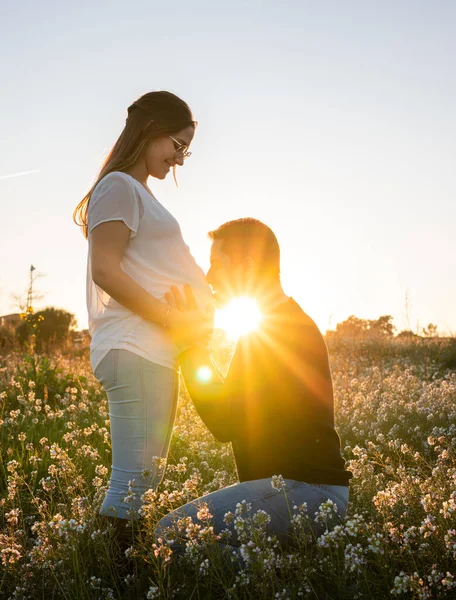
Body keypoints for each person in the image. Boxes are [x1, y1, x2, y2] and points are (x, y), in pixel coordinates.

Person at [156, 218, 352, 553]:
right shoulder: (276, 325)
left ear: (246, 266)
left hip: (306, 492)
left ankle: (281, 577)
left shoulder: (277, 332)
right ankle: (285, 566)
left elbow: (223, 421)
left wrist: (190, 347)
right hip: (310, 493)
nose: (208, 276)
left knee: (169, 532)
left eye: (217, 264)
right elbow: (235, 410)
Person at [73, 91, 213, 546]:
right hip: (137, 346)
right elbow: (106, 270)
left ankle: (120, 574)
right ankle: (116, 579)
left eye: (186, 149)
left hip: (151, 350)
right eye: (178, 144)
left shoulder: (135, 191)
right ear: (151, 129)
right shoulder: (119, 186)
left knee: (143, 482)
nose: (181, 159)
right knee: (134, 486)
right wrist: (175, 319)